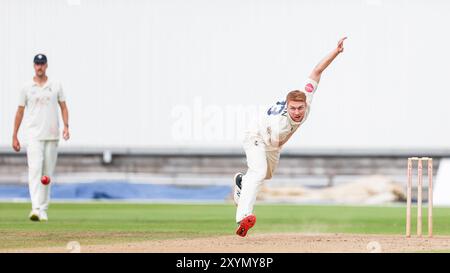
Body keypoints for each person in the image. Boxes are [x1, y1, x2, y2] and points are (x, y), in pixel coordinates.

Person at [233, 37, 347, 237]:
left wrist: (335, 52)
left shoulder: (305, 95)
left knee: (266, 175)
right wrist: (278, 145)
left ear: (305, 103)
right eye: (293, 108)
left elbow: (317, 71)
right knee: (258, 172)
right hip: (257, 136)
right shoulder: (280, 124)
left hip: (273, 143)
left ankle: (242, 183)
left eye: (300, 108)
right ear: (287, 107)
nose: (297, 112)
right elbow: (276, 141)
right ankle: (244, 216)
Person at [12, 54, 70, 222]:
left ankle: (43, 209)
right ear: (33, 65)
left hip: (52, 135)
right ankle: (35, 208)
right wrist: (14, 135)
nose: (39, 67)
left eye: (42, 64)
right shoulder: (26, 87)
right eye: (37, 64)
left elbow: (64, 107)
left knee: (47, 174)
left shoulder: (55, 85)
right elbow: (20, 111)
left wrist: (66, 127)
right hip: (34, 136)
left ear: (46, 66)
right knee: (34, 170)